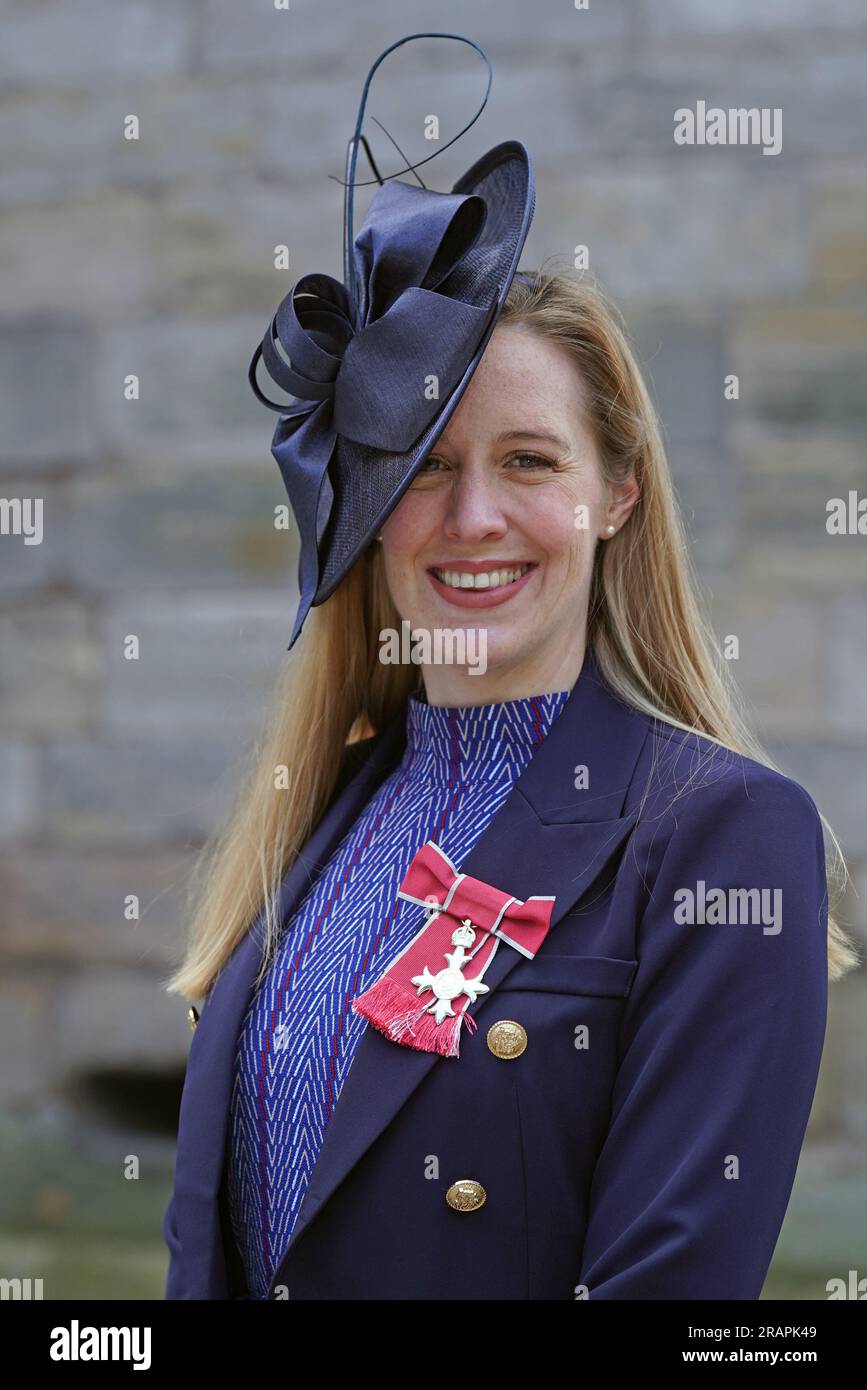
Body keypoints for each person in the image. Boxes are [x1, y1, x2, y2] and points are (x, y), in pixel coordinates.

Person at [161, 35, 859, 1301]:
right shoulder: (316, 815)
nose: (471, 514)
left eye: (529, 461)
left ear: (618, 496)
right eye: (423, 467)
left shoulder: (727, 838)